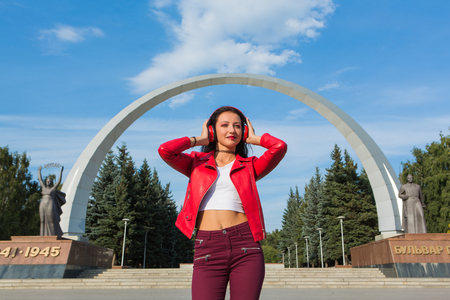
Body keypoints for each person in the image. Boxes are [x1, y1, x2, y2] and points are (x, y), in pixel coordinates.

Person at [158, 106, 287, 300]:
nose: (231, 130)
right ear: (212, 130)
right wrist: (199, 140)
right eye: (224, 125)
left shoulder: (250, 166)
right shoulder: (196, 163)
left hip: (246, 245)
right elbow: (165, 150)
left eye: (237, 126)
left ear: (243, 131)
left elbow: (279, 146)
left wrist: (254, 139)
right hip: (207, 245)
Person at [38, 166, 66, 236]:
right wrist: (39, 171)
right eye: (47, 181)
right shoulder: (43, 188)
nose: (48, 182)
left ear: (52, 183)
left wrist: (61, 172)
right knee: (42, 220)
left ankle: (53, 236)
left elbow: (58, 182)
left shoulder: (53, 189)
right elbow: (40, 180)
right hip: (42, 204)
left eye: (50, 181)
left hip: (50, 204)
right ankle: (42, 235)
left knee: (51, 221)